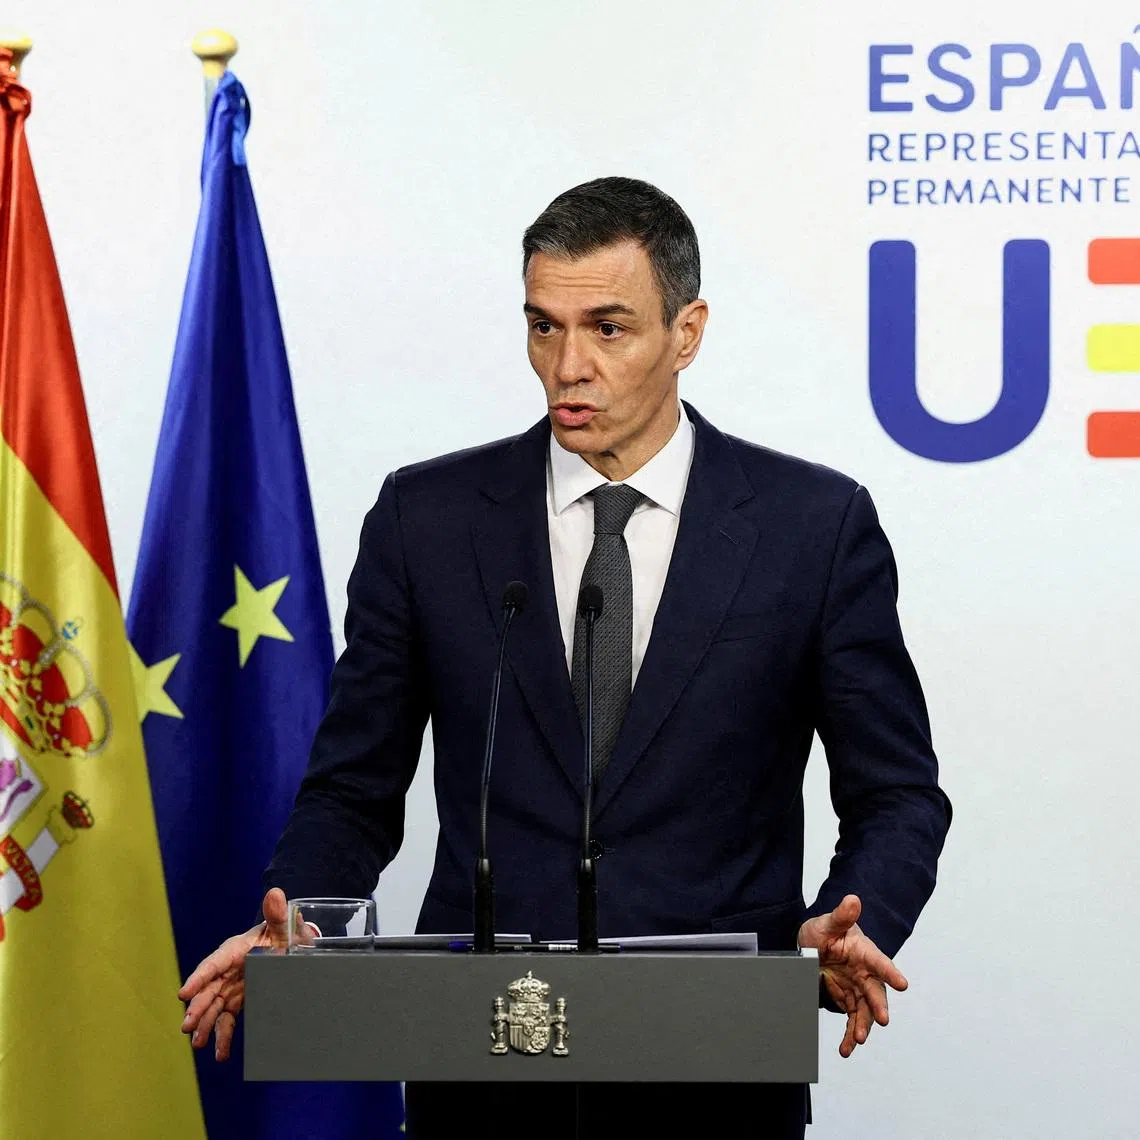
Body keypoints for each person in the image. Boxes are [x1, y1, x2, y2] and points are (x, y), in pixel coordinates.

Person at [179, 177, 951, 1138]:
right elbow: (352, 787)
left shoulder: (813, 526)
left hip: (713, 1075)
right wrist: (295, 918)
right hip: (484, 1070)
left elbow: (897, 793)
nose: (568, 365)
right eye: (544, 326)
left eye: (609, 328)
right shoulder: (430, 520)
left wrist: (857, 918)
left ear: (688, 331)